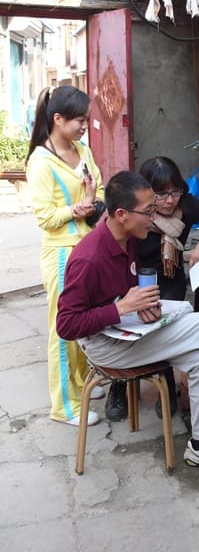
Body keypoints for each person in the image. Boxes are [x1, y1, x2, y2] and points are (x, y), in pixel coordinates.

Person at [56, 171, 199, 469]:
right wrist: (122, 309)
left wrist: (142, 306)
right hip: (103, 344)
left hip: (124, 327)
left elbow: (124, 292)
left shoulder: (128, 239)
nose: (153, 218)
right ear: (122, 215)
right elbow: (66, 325)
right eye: (148, 212)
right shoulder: (88, 258)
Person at [104, 155, 199, 422]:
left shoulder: (186, 205)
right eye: (160, 194)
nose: (169, 200)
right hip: (132, 280)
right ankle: (118, 384)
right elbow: (107, 239)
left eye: (175, 191)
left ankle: (167, 379)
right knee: (128, 326)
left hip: (169, 280)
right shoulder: (136, 213)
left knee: (167, 326)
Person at [26, 85, 105, 427]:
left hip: (87, 249)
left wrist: (94, 202)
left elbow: (98, 187)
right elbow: (44, 217)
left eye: (87, 120)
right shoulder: (41, 162)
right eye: (79, 121)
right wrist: (76, 209)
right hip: (61, 254)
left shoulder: (82, 149)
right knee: (63, 328)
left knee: (85, 322)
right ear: (57, 119)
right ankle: (64, 406)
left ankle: (80, 381)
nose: (85, 126)